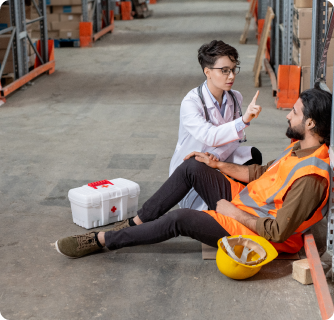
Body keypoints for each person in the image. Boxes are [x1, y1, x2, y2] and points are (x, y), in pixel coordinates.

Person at [55, 88, 331, 258]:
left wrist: (233, 213)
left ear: (310, 122)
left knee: (180, 219)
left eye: (293, 112)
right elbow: (260, 172)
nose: (286, 116)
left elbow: (279, 232)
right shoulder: (298, 147)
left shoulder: (311, 177)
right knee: (192, 166)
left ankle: (103, 240)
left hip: (255, 232)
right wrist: (218, 165)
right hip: (245, 203)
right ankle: (135, 223)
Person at [170, 40, 262, 211]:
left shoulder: (235, 98)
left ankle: (236, 201)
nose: (232, 76)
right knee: (210, 209)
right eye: (224, 71)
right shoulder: (191, 102)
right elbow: (210, 136)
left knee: (252, 155)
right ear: (208, 72)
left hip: (217, 159)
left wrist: (216, 158)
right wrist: (243, 121)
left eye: (233, 70)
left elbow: (235, 139)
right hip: (192, 169)